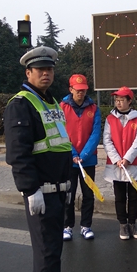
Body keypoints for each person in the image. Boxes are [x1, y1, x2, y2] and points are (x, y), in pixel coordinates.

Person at [4, 46, 80, 272]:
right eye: (40, 70)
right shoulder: (21, 104)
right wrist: (29, 189)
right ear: (29, 73)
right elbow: (18, 153)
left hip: (58, 188)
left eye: (49, 69)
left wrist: (68, 184)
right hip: (41, 192)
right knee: (49, 251)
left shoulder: (50, 104)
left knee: (47, 250)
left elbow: (60, 145)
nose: (46, 73)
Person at [103, 86, 137, 240]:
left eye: (122, 100)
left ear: (130, 101)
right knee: (120, 196)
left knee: (134, 196)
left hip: (133, 164)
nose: (119, 103)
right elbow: (107, 140)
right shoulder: (110, 119)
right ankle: (123, 225)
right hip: (116, 165)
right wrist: (117, 159)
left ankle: (132, 224)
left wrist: (127, 158)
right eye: (117, 100)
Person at [60, 74, 101, 241]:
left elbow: (95, 133)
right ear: (70, 90)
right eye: (78, 90)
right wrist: (73, 154)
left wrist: (83, 154)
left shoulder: (94, 108)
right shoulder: (62, 107)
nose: (81, 93)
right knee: (68, 194)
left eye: (83, 90)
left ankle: (86, 226)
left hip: (88, 160)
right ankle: (67, 226)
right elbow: (60, 132)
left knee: (88, 195)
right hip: (68, 159)